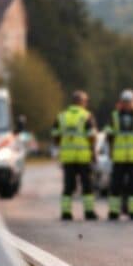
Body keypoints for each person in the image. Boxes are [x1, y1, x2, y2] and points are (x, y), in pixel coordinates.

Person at [52, 90, 97, 221]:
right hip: (83, 157)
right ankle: (89, 212)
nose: (86, 104)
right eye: (86, 101)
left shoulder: (62, 116)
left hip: (68, 157)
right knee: (87, 185)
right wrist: (93, 152)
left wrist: (62, 147)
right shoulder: (86, 116)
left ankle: (66, 213)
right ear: (82, 102)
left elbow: (55, 135)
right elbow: (92, 136)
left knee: (68, 186)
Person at [106, 89, 133, 220]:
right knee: (116, 185)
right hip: (119, 157)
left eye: (129, 102)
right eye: (125, 102)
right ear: (121, 102)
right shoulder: (114, 116)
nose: (127, 104)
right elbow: (109, 132)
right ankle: (114, 211)